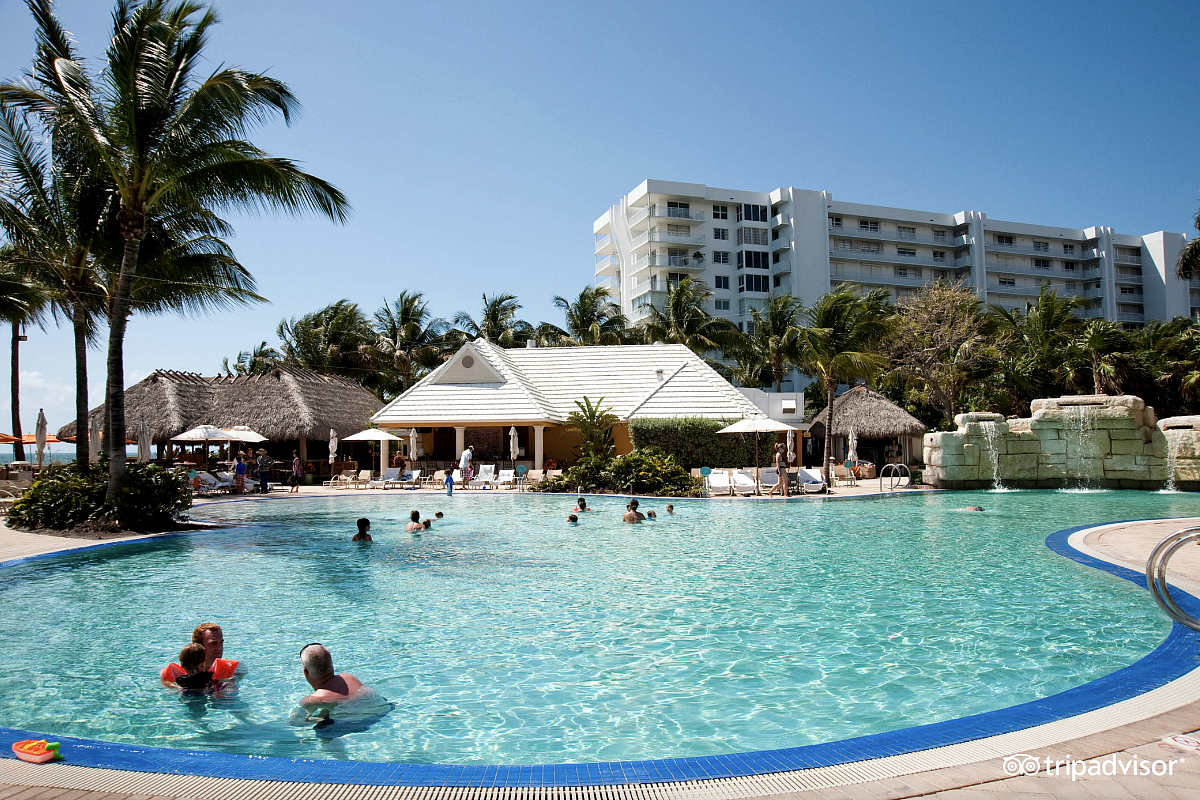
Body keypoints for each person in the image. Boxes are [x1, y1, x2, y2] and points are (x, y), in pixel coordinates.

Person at [160, 623, 239, 686]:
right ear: (199, 646)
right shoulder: (175, 673)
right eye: (213, 643)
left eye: (221, 642)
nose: (219, 648)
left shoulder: (232, 669)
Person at [298, 643, 371, 711]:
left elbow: (297, 722)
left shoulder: (313, 700)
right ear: (331, 665)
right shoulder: (350, 677)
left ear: (305, 672)